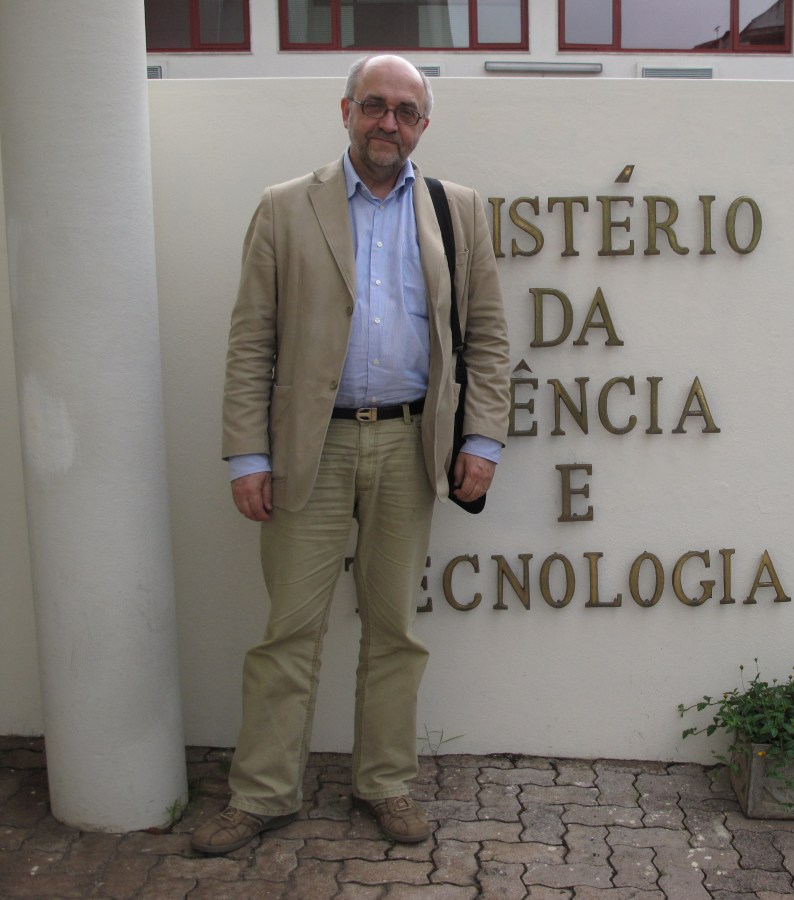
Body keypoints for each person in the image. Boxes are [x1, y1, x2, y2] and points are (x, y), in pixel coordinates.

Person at [192, 55, 510, 855]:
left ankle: (385, 784)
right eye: (374, 106)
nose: (387, 123)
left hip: (411, 443)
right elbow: (250, 341)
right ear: (346, 112)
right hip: (312, 447)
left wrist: (481, 439)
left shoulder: (458, 210)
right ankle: (262, 794)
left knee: (395, 627)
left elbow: (487, 336)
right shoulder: (284, 207)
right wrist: (246, 456)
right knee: (288, 633)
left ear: (423, 126)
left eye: (405, 111)